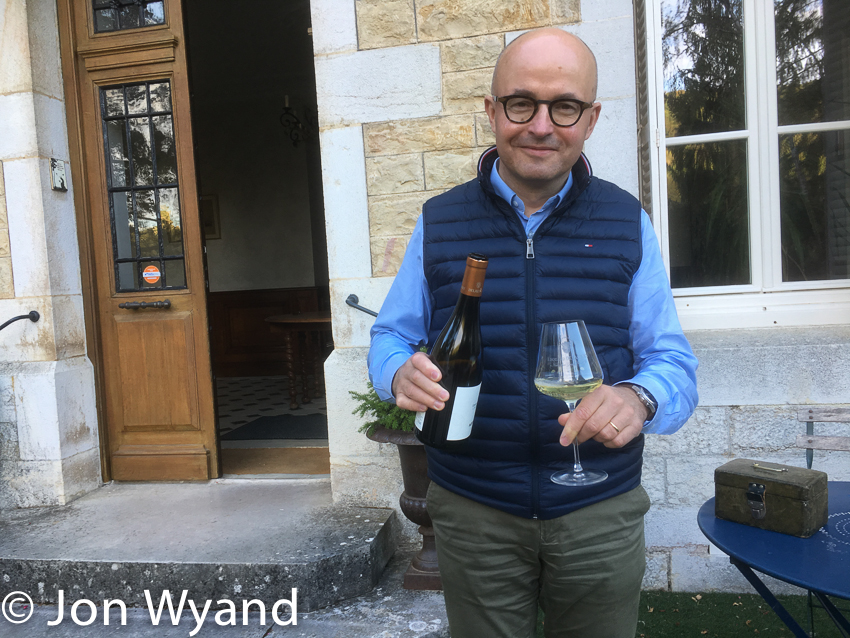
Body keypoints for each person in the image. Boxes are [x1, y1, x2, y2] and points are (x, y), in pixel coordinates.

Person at [368, 27, 698, 638]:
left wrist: (639, 397)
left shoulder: (627, 221)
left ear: (591, 118)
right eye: (521, 103)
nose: (541, 126)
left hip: (598, 509)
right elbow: (390, 335)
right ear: (492, 110)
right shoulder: (439, 221)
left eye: (565, 106)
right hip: (473, 510)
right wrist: (395, 372)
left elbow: (672, 361)